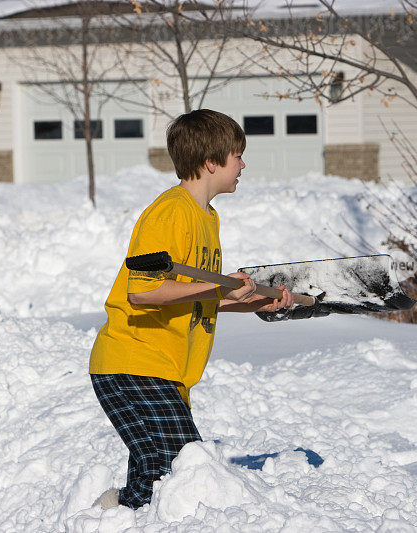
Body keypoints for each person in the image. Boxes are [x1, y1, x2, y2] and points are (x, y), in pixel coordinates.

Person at [88, 109, 295, 510]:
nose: (243, 164)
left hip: (167, 370)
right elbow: (142, 293)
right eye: (237, 155)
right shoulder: (170, 212)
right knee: (181, 468)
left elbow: (195, 297)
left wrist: (254, 302)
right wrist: (220, 287)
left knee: (158, 476)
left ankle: (114, 515)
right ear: (211, 162)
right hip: (134, 361)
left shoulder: (207, 218)